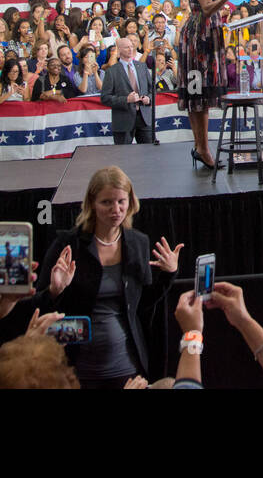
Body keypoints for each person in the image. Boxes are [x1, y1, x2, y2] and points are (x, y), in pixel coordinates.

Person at [33, 166, 182, 389]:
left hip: (126, 368)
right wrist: (55, 291)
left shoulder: (137, 242)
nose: (116, 209)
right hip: (75, 369)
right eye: (107, 202)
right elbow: (39, 307)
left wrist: (169, 274)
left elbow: (143, 305)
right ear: (92, 203)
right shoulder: (68, 244)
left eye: (122, 201)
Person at [178, 0, 242, 170]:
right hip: (199, 40)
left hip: (202, 36)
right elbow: (206, 9)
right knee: (199, 96)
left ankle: (201, 147)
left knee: (199, 97)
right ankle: (203, 149)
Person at [100, 37, 153, 145]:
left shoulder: (142, 67)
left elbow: (152, 90)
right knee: (123, 156)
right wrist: (126, 99)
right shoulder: (112, 71)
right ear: (119, 50)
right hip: (123, 120)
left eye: (131, 47)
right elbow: (105, 98)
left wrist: (149, 98)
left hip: (144, 118)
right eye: (126, 47)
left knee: (149, 153)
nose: (130, 49)